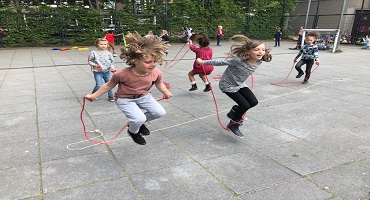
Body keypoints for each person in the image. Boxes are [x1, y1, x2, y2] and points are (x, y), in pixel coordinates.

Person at [84, 32, 172, 145]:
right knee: (138, 118)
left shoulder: (156, 72)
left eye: (155, 61)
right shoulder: (122, 74)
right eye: (148, 62)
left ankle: (138, 123)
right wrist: (93, 96)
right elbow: (108, 85)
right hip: (125, 99)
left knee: (159, 112)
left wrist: (166, 92)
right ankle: (133, 132)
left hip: (144, 96)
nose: (153, 64)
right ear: (135, 60)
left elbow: (159, 83)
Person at [196, 35, 272, 137]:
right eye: (257, 50)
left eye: (263, 49)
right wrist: (203, 62)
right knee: (245, 105)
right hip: (227, 85)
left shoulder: (260, 60)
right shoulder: (239, 60)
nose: (260, 52)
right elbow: (222, 62)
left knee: (253, 102)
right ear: (248, 51)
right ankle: (233, 123)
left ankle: (234, 111)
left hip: (240, 84)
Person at [88, 38, 116, 102]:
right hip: (98, 72)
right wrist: (95, 65)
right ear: (97, 44)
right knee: (99, 84)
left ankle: (111, 96)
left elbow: (112, 62)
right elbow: (90, 61)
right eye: (101, 44)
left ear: (107, 45)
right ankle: (94, 94)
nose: (103, 46)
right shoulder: (94, 53)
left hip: (107, 71)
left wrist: (112, 68)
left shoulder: (108, 53)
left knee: (109, 84)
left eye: (105, 44)